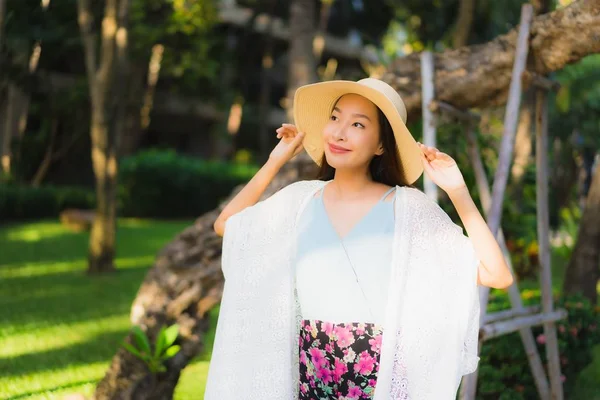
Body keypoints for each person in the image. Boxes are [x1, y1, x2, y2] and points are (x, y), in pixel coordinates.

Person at [206, 78, 513, 400]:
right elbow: (227, 224)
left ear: (381, 145)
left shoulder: (406, 208)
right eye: (335, 118)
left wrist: (458, 191)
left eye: (357, 124)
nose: (339, 133)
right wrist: (275, 160)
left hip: (379, 378)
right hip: (309, 373)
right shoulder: (299, 201)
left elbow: (497, 274)